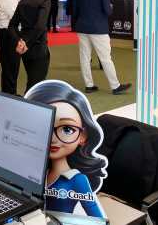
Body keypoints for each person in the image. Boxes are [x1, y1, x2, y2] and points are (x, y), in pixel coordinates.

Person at [25, 80, 107, 218]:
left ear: (83, 136)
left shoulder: (77, 180)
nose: (52, 138)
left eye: (67, 129)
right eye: (44, 125)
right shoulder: (36, 171)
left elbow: (96, 218)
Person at [73, 0, 131, 95]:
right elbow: (108, 11)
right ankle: (115, 86)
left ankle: (89, 85)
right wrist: (110, 6)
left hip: (82, 28)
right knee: (105, 58)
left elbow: (74, 10)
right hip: (99, 29)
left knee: (84, 57)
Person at [8, 0, 54, 92]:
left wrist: (20, 41)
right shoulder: (45, 0)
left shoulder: (23, 0)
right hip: (38, 48)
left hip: (26, 51)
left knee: (32, 82)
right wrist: (25, 43)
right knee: (36, 86)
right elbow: (40, 26)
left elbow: (12, 25)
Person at [0, 0, 21, 95]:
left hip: (7, 35)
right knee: (10, 68)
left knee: (10, 68)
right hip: (7, 35)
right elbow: (17, 16)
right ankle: (10, 95)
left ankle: (10, 94)